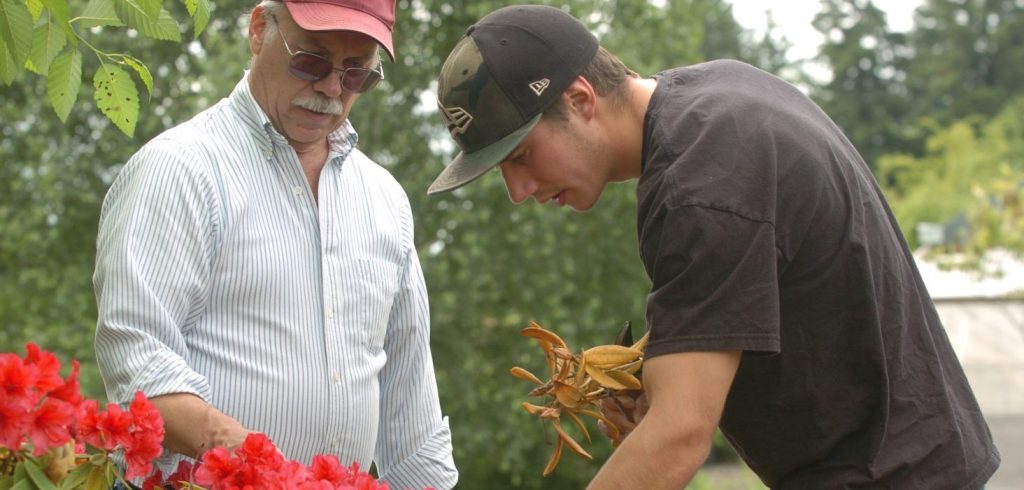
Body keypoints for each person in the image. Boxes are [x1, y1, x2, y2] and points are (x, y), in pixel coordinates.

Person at [428, 4, 1000, 489]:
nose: (517, 191)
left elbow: (679, 438)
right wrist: (661, 394)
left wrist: (668, 422)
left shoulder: (698, 186)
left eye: (519, 156)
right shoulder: (718, 97)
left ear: (579, 99)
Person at [93, 0, 458, 487]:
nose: (331, 88)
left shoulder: (385, 199)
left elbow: (409, 403)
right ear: (260, 30)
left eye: (357, 75)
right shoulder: (180, 170)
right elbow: (137, 361)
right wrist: (257, 467)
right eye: (311, 60)